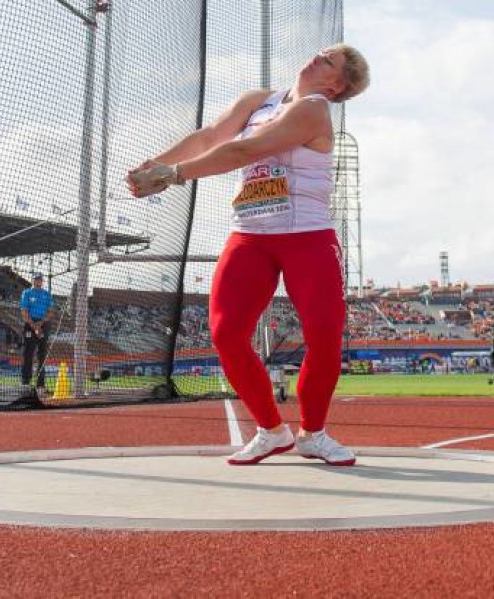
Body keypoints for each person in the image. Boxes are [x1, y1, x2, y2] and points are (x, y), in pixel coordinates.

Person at [127, 44, 370, 466]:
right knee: (225, 333)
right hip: (251, 235)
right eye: (320, 52)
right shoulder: (258, 101)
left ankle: (312, 433)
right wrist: (155, 163)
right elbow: (210, 138)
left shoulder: (314, 110)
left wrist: (175, 174)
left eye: (327, 60)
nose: (315, 57)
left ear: (336, 84)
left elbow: (247, 150)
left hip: (307, 235)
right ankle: (271, 431)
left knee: (324, 337)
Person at [19, 272, 55, 392]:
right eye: (36, 279)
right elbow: (24, 312)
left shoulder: (47, 295)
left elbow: (50, 312)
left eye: (40, 279)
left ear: (42, 281)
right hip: (30, 324)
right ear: (32, 280)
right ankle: (25, 381)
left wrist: (40, 324)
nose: (38, 281)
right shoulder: (27, 293)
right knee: (28, 353)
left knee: (42, 355)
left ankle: (41, 384)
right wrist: (34, 325)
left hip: (43, 324)